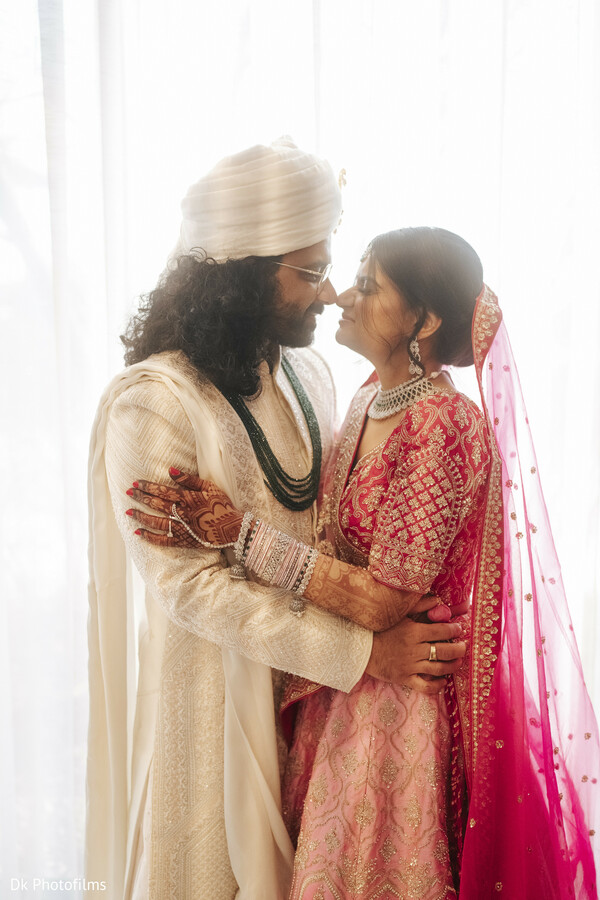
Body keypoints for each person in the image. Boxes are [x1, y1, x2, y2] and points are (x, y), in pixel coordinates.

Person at [133, 227, 599, 898]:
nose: (343, 296)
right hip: (344, 687)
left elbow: (385, 599)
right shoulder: (364, 400)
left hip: (400, 712)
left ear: (424, 319)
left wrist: (239, 537)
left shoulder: (442, 423)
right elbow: (330, 549)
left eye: (369, 285)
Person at [87, 143, 465, 900]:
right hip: (211, 717)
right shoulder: (152, 400)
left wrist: (369, 646)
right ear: (241, 274)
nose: (330, 294)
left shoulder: (313, 374)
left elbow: (333, 533)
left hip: (321, 720)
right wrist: (365, 654)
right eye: (309, 271)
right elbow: (193, 591)